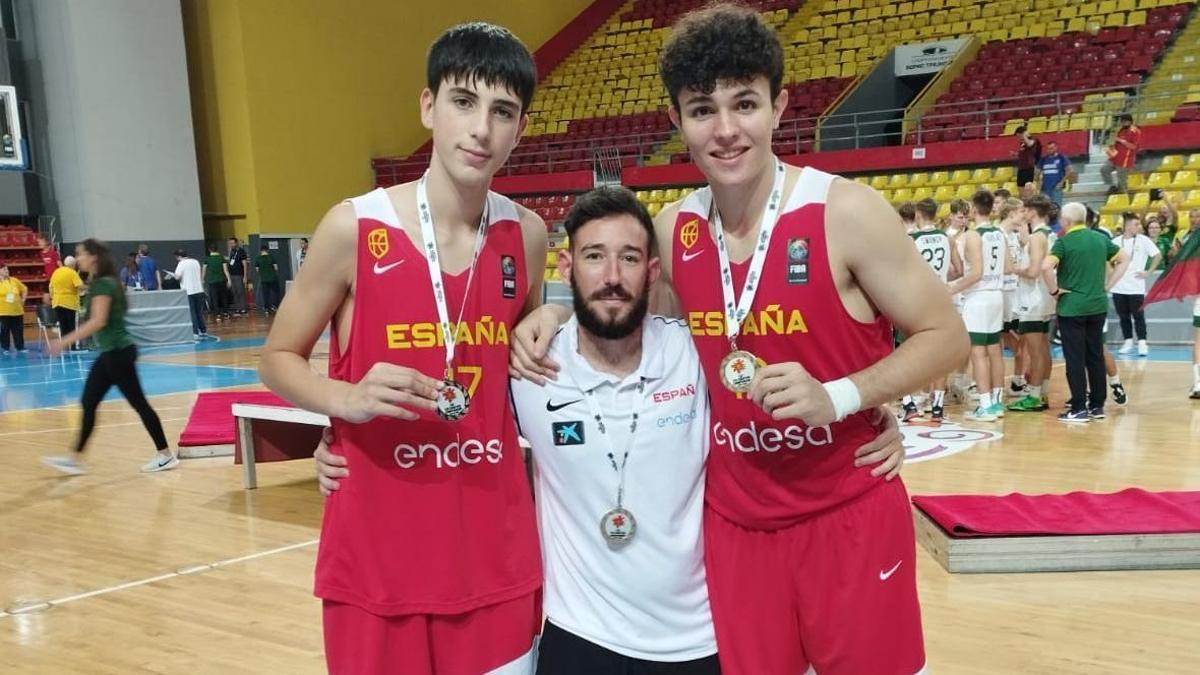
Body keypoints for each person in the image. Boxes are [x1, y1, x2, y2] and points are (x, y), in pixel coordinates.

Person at [513, 6, 968, 672]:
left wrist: (844, 395)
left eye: (744, 104)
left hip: (845, 506)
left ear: (780, 106)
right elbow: (624, 312)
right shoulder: (674, 231)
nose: (725, 131)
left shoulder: (845, 213)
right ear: (676, 120)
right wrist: (551, 316)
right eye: (702, 110)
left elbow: (946, 335)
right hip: (735, 523)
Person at [258, 22, 548, 674]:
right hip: (377, 561)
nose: (481, 129)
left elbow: (525, 349)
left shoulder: (526, 235)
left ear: (520, 129)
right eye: (464, 102)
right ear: (428, 106)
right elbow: (277, 357)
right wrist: (345, 400)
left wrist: (550, 313)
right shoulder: (353, 227)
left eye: (502, 112)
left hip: (494, 557)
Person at [41, 238, 179, 475]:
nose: (79, 258)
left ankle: (165, 455)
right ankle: (74, 459)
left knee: (138, 404)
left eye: (81, 254)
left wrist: (63, 341)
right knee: (89, 402)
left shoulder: (103, 284)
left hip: (117, 353)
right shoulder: (102, 282)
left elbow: (98, 320)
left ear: (93, 256)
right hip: (111, 353)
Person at [1043, 203, 1130, 422]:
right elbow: (1124, 258)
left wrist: (1053, 291)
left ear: (1067, 221)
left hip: (1072, 307)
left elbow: (1045, 267)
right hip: (1097, 305)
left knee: (1074, 358)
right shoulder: (1100, 238)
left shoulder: (1063, 242)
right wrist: (1109, 285)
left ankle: (1079, 407)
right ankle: (1097, 406)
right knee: (1095, 355)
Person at [949, 190, 1008, 422]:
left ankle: (984, 405)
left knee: (978, 353)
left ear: (973, 209)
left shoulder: (973, 236)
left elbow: (976, 273)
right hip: (997, 295)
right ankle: (997, 402)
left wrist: (952, 288)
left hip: (979, 297)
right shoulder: (1000, 234)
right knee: (995, 351)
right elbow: (1009, 266)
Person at [900, 198, 959, 423]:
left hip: (917, 299)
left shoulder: (911, 238)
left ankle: (908, 404)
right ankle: (937, 407)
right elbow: (958, 270)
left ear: (917, 215)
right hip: (942, 297)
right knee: (940, 354)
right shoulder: (948, 238)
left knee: (906, 353)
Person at [1007, 194, 1057, 412]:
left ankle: (1034, 395)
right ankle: (1042, 392)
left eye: (1026, 209)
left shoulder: (1037, 237)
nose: (1024, 213)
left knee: (1036, 351)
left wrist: (1014, 269)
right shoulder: (1049, 234)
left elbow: (1034, 271)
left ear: (1033, 212)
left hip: (1033, 299)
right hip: (1044, 298)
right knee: (1044, 349)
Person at [1144, 207, 1200, 398]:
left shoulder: (1192, 240)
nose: (1194, 220)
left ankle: (1199, 384)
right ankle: (1198, 383)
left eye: (1197, 216)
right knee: (1198, 339)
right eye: (1192, 216)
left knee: (1199, 339)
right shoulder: (1187, 238)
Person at [1110, 213, 1161, 356]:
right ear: (1127, 225)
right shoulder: (1115, 242)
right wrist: (1111, 273)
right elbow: (1107, 260)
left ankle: (1142, 342)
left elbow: (1157, 255)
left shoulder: (1144, 240)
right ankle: (1128, 340)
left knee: (1138, 315)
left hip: (1136, 286)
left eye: (1139, 224)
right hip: (1118, 286)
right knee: (1123, 316)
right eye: (1136, 224)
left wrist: (1149, 272)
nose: (1139, 227)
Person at [998, 198, 1028, 398]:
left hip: (1014, 292)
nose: (1023, 215)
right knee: (997, 339)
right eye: (1020, 212)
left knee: (1019, 340)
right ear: (1010, 214)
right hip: (1001, 292)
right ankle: (993, 385)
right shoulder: (997, 235)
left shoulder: (1015, 235)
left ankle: (1018, 380)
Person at [165, 249, 207, 338]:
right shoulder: (195, 261)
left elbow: (177, 277)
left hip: (189, 291)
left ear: (179, 257)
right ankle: (203, 330)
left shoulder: (181, 264)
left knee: (192, 312)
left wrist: (171, 275)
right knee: (199, 312)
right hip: (199, 290)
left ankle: (195, 332)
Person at [49, 255, 85, 349]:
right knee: (71, 326)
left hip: (57, 302)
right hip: (69, 303)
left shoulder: (56, 272)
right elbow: (80, 286)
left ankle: (64, 347)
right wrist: (86, 289)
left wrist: (53, 297)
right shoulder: (72, 273)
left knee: (63, 325)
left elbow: (50, 287)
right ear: (73, 264)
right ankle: (73, 347)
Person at [1101, 114, 1140, 195]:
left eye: (1124, 121)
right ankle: (1112, 186)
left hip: (1125, 160)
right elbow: (1116, 144)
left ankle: (1125, 198)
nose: (1122, 123)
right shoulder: (1121, 130)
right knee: (1104, 169)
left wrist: (1122, 141)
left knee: (1122, 181)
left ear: (1129, 121)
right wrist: (1111, 147)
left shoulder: (1135, 131)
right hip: (1115, 157)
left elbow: (1133, 147)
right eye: (1121, 121)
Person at [0, 262, 28, 354]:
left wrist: (23, 300)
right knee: (4, 331)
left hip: (17, 311)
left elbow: (24, 289)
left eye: (7, 269)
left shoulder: (14, 280)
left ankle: (20, 347)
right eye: (4, 269)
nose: (7, 271)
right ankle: (5, 348)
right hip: (3, 312)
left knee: (18, 330)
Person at [1036, 140, 1073, 206]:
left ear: (1056, 148)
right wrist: (1038, 182)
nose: (1049, 150)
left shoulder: (1062, 158)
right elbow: (1037, 172)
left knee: (1056, 207)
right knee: (1044, 207)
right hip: (1044, 188)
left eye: (1051, 148)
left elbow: (1069, 170)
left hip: (1056, 188)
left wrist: (1061, 182)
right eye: (1048, 149)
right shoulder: (1043, 159)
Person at [203, 242, 230, 321]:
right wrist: (229, 280)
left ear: (209, 250)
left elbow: (204, 271)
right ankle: (226, 313)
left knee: (214, 297)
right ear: (217, 249)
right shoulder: (221, 258)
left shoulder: (207, 259)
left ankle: (218, 314)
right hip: (221, 280)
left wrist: (202, 279)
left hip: (212, 281)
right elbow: (226, 270)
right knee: (223, 296)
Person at [1013, 125, 1041, 191]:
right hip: (1021, 168)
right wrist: (1016, 154)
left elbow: (1030, 144)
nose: (1018, 138)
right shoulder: (1022, 143)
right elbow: (1024, 153)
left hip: (1029, 168)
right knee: (1020, 187)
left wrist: (1024, 136)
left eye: (1019, 136)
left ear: (1022, 134)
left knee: (1028, 188)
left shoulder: (1033, 139)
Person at [255, 244, 281, 314]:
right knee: (276, 292)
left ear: (260, 251)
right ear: (267, 250)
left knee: (265, 294)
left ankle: (266, 309)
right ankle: (275, 306)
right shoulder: (271, 257)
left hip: (264, 279)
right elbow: (276, 268)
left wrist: (263, 272)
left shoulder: (258, 258)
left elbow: (257, 270)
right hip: (273, 278)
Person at [227, 237, 250, 316]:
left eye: (233, 243)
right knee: (234, 292)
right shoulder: (231, 252)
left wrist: (245, 276)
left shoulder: (241, 251)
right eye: (230, 243)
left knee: (241, 291)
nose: (231, 245)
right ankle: (238, 308)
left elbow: (244, 264)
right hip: (231, 275)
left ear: (236, 243)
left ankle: (243, 308)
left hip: (239, 275)